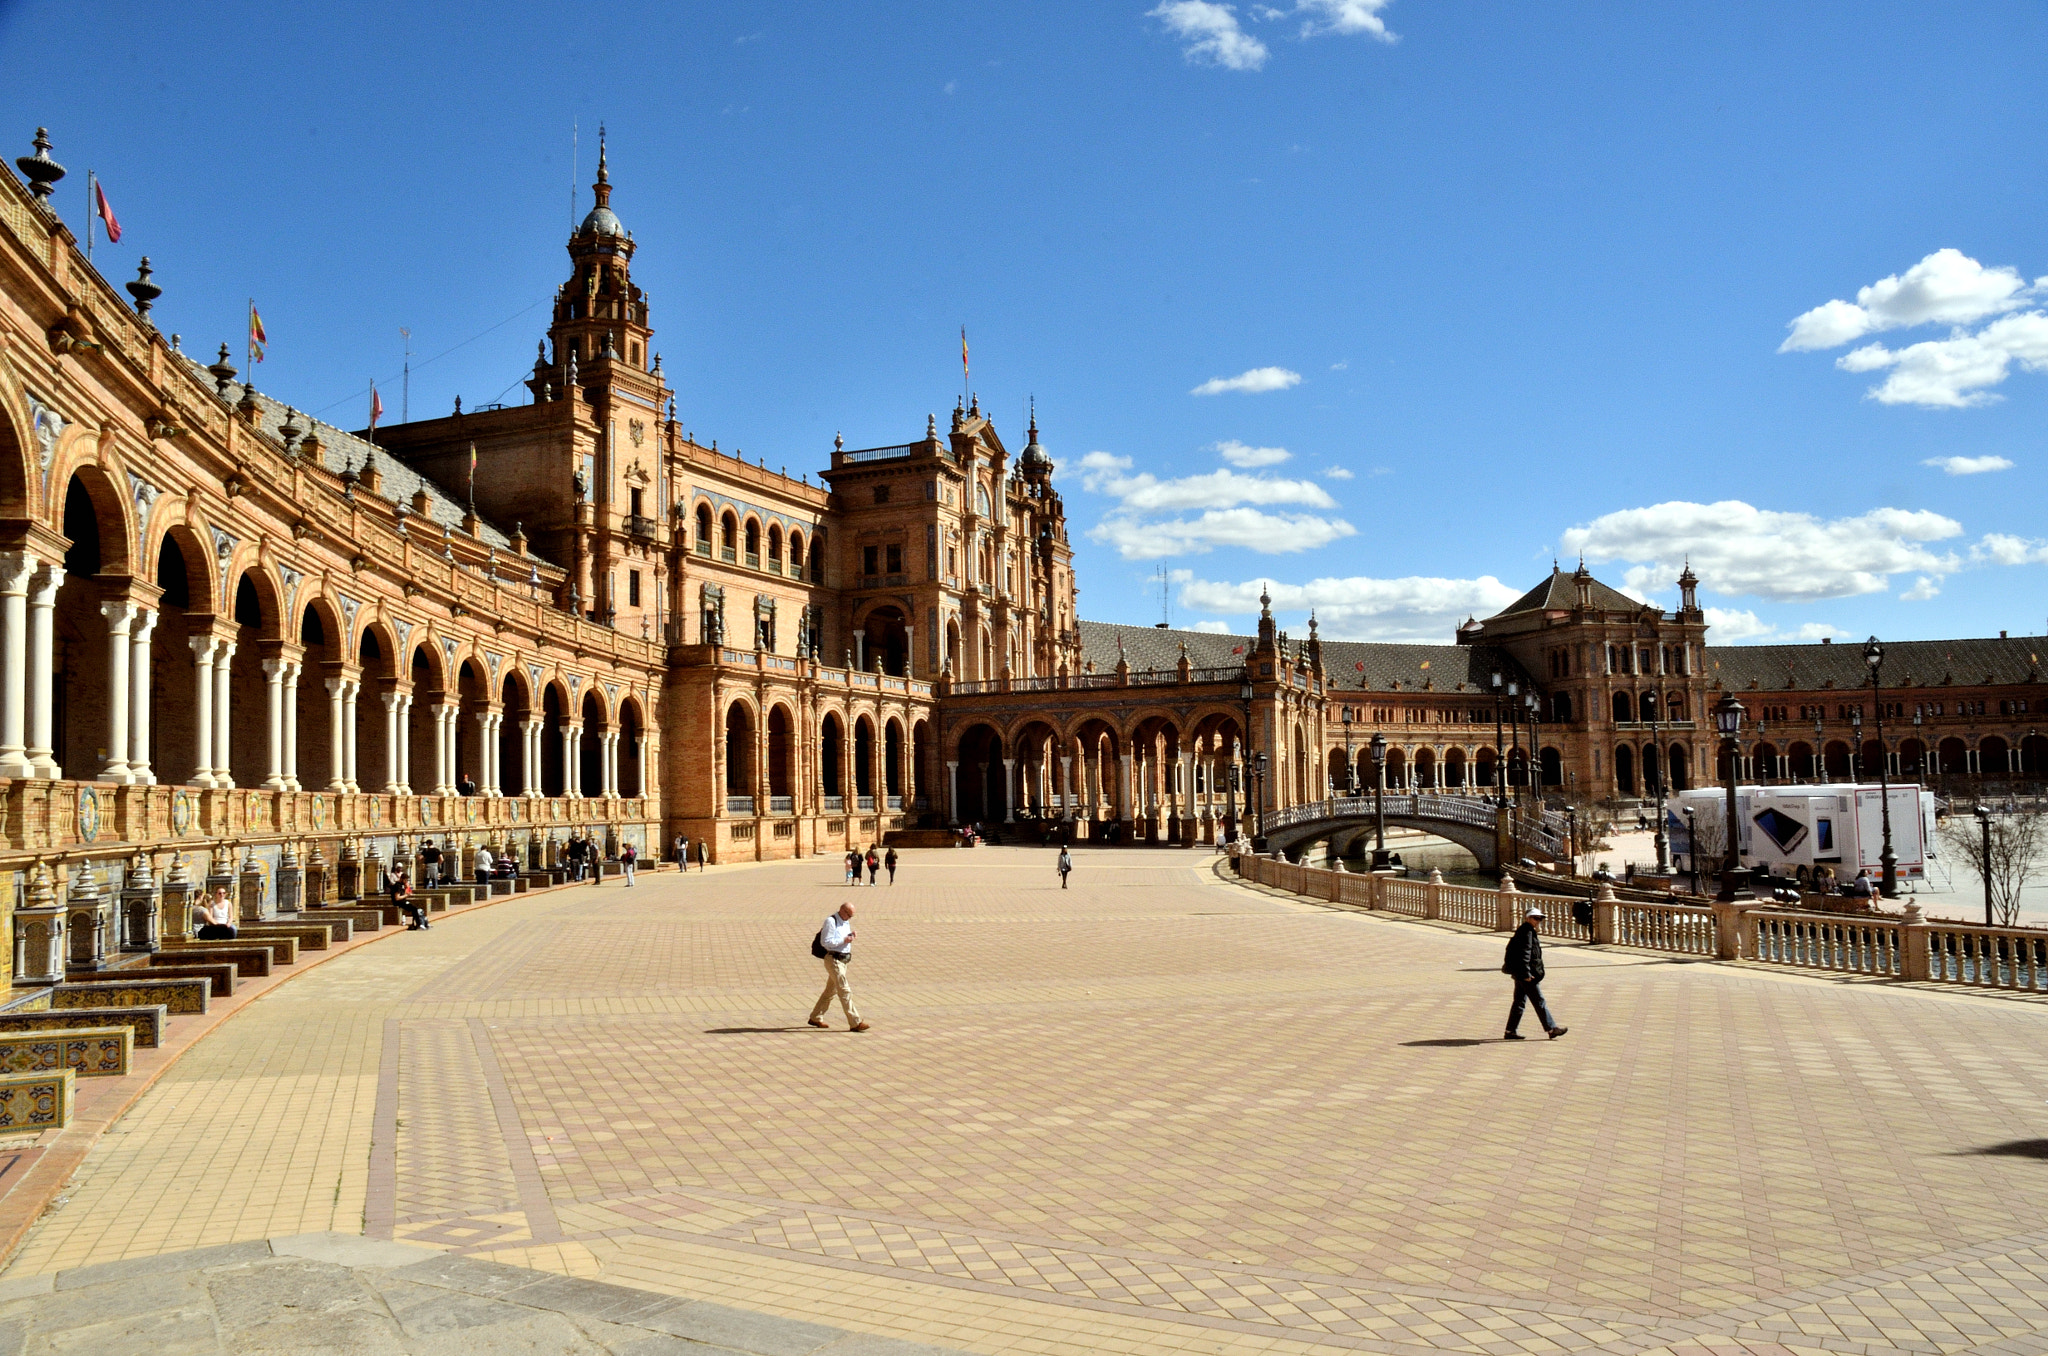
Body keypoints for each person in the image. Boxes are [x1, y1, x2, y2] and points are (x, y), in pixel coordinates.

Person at [1502, 905, 1567, 1041]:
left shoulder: (1524, 930)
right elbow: (1525, 954)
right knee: (1539, 1001)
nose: (1538, 921)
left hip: (1520, 973)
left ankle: (1510, 1031)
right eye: (1535, 918)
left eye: (1540, 919)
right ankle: (1551, 1028)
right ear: (1528, 918)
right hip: (1527, 975)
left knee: (1519, 1002)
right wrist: (1526, 974)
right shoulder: (1527, 932)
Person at [807, 902, 869, 1031]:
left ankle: (815, 1017)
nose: (850, 918)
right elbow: (826, 942)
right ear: (842, 911)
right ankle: (855, 1022)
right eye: (849, 915)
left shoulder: (845, 921)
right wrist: (844, 940)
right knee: (844, 990)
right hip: (833, 959)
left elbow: (842, 936)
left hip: (843, 960)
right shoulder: (830, 921)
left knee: (831, 990)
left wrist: (850, 936)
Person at [390, 862, 428, 930]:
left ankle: (424, 923)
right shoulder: (397, 886)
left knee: (418, 908)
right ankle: (420, 924)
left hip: (403, 901)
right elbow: (397, 898)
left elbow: (404, 893)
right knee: (415, 909)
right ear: (402, 879)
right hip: (399, 903)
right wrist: (406, 895)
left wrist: (406, 888)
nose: (406, 881)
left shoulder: (401, 885)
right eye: (406, 880)